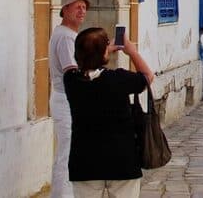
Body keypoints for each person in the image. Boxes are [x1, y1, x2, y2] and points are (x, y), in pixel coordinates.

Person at [64, 27, 155, 198]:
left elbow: (85, 66)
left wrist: (101, 50)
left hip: (85, 162)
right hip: (122, 160)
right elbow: (147, 77)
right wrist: (132, 52)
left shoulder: (70, 80)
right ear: (103, 55)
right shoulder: (118, 79)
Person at [49, 0, 87, 198]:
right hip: (66, 100)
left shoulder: (70, 35)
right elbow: (71, 72)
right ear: (65, 10)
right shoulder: (65, 37)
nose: (82, 11)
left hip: (67, 100)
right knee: (67, 154)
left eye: (84, 7)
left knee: (68, 152)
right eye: (77, 7)